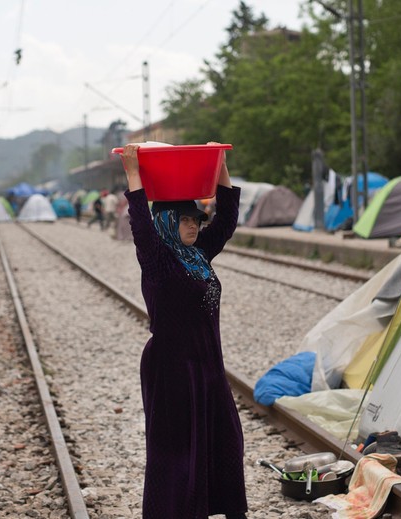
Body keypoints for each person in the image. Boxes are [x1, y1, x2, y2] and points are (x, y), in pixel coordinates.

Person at [120, 142, 247, 519]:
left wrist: (220, 165)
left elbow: (225, 220)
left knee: (225, 442)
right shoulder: (158, 261)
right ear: (168, 223)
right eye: (185, 220)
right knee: (176, 454)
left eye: (195, 220)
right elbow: (141, 225)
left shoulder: (198, 254)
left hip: (207, 364)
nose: (193, 226)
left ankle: (209, 508)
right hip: (172, 368)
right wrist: (133, 173)